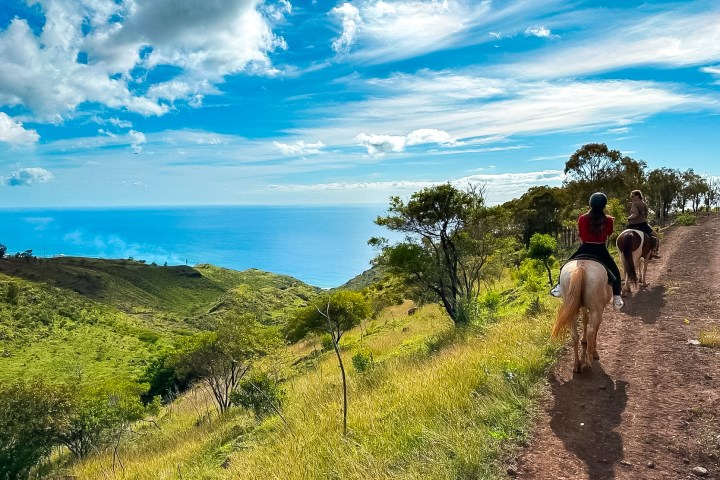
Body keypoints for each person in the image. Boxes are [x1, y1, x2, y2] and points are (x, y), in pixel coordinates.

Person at [550, 192, 624, 311]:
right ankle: (616, 298)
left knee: (564, 266)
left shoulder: (582, 218)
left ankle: (559, 287)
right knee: (615, 272)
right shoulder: (609, 220)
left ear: (590, 204)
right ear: (604, 205)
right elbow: (609, 233)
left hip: (584, 248)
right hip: (601, 249)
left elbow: (581, 234)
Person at [625, 189, 660, 258]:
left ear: (638, 195)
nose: (631, 198)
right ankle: (653, 252)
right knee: (656, 236)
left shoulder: (634, 204)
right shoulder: (644, 204)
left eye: (632, 196)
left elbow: (635, 214)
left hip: (632, 225)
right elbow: (646, 215)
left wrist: (628, 218)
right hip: (642, 225)